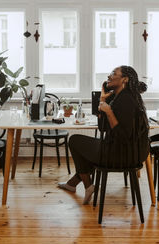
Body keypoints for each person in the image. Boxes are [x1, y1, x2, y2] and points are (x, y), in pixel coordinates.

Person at [58, 65, 148, 204]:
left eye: (113, 73)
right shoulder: (120, 97)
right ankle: (74, 183)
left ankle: (87, 185)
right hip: (126, 152)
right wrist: (103, 100)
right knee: (87, 148)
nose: (109, 76)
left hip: (121, 155)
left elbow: (123, 137)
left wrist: (109, 112)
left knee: (75, 141)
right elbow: (103, 128)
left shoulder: (125, 100)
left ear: (124, 79)